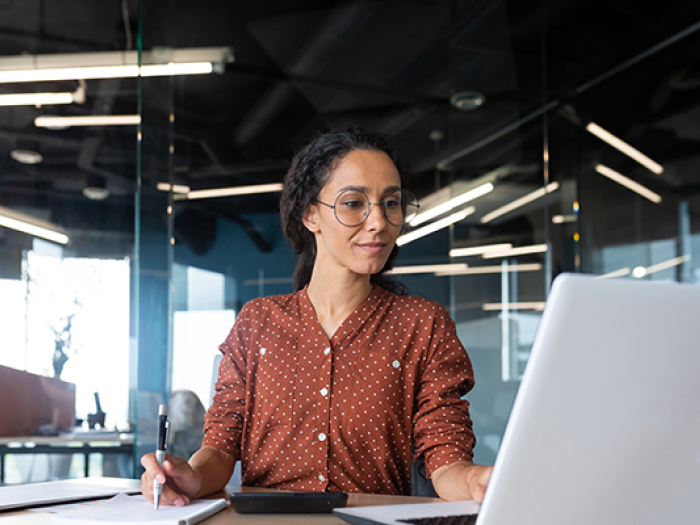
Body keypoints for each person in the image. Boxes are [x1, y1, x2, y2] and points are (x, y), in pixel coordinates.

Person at [141, 126, 492, 506]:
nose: (379, 222)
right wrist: (189, 477)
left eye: (391, 203)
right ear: (311, 214)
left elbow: (446, 459)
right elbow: (221, 450)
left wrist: (477, 480)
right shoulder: (258, 323)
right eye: (354, 202)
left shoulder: (423, 325)